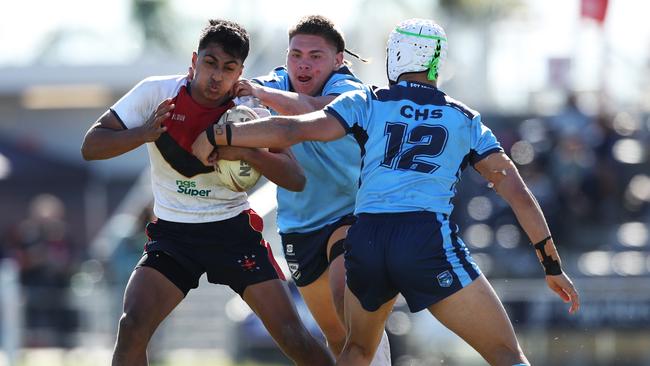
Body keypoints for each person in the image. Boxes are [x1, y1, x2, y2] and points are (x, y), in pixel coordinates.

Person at [192, 18, 581, 366]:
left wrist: (221, 134)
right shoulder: (463, 118)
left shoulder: (368, 100)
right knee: (507, 356)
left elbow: (294, 129)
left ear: (394, 56)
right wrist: (551, 264)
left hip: (367, 242)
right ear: (437, 63)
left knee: (356, 352)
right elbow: (517, 193)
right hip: (424, 242)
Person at [81, 19, 333, 366]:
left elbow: (295, 178)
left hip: (232, 232)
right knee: (132, 326)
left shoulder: (248, 112)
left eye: (228, 69)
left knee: (293, 336)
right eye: (210, 63)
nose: (216, 77)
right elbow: (92, 146)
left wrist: (245, 149)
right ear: (194, 61)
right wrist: (143, 133)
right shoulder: (157, 93)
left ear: (240, 73)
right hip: (173, 235)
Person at [231, 15, 391, 364]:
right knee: (335, 335)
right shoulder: (275, 82)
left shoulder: (351, 91)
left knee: (347, 303)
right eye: (296, 54)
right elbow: (236, 96)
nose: (303, 63)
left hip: (354, 215)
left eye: (316, 56)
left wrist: (258, 95)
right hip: (299, 226)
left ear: (338, 60)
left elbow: (310, 110)